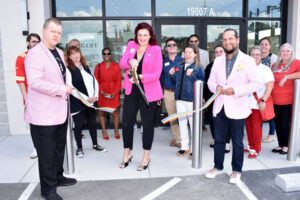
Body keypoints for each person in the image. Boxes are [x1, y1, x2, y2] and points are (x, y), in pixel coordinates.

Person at [25, 18, 77, 200]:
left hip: (60, 112)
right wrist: (62, 90)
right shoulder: (35, 53)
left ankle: (58, 177)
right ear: (44, 31)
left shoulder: (59, 52)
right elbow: (34, 82)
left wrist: (67, 86)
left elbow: (62, 77)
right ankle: (48, 190)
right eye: (53, 31)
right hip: (43, 115)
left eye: (59, 32)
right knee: (46, 154)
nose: (56, 35)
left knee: (58, 150)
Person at [205, 28, 261, 184]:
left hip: (238, 106)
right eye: (224, 39)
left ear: (237, 40)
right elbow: (210, 81)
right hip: (219, 106)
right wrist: (215, 88)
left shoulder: (248, 60)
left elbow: (257, 83)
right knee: (219, 139)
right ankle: (217, 166)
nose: (227, 42)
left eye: (230, 39)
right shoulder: (217, 60)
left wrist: (235, 90)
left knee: (237, 141)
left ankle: (236, 170)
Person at [119, 22, 163, 171]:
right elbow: (122, 63)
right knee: (126, 122)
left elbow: (157, 74)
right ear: (136, 35)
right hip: (131, 90)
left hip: (148, 92)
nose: (142, 38)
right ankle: (127, 154)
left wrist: (140, 77)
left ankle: (146, 157)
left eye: (145, 35)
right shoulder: (131, 45)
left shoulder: (156, 49)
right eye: (140, 35)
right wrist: (129, 61)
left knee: (147, 124)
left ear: (150, 36)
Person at [66, 45, 107, 158]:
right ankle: (79, 148)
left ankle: (95, 144)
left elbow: (94, 82)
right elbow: (70, 88)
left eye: (77, 52)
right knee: (78, 126)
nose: (76, 55)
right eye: (73, 53)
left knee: (93, 124)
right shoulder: (68, 69)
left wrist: (95, 96)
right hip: (78, 102)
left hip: (91, 102)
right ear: (69, 56)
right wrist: (85, 98)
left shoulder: (85, 67)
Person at [169, 45, 205, 159]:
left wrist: (192, 75)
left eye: (190, 52)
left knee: (193, 124)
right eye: (186, 52)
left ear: (195, 54)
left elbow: (202, 83)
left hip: (191, 100)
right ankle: (184, 147)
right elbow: (175, 80)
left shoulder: (198, 67)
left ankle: (195, 149)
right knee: (182, 123)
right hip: (179, 99)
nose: (188, 54)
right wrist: (172, 74)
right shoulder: (180, 65)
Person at [245, 46, 274, 158]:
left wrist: (263, 100)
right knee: (248, 126)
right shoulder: (245, 68)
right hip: (246, 103)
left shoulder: (265, 69)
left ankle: (256, 148)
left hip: (257, 103)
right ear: (249, 56)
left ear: (261, 56)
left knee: (256, 127)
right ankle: (251, 145)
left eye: (257, 54)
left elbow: (270, 86)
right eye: (253, 54)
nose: (255, 56)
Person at [271, 43, 300, 155]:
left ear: (291, 53)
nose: (285, 53)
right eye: (283, 51)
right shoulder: (275, 65)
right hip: (275, 100)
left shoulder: (296, 63)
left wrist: (287, 76)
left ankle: (287, 146)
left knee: (284, 123)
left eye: (288, 51)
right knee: (277, 123)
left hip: (288, 101)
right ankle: (280, 144)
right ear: (279, 53)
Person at [15, 33, 40, 159]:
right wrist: (27, 100)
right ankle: (37, 147)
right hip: (31, 98)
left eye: (37, 42)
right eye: (33, 41)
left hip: (44, 97)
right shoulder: (21, 58)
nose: (35, 44)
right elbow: (20, 81)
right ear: (28, 43)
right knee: (34, 124)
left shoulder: (43, 57)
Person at [204, 45, 231, 153]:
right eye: (216, 52)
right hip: (212, 97)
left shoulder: (230, 66)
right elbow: (206, 83)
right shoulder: (210, 66)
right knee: (213, 119)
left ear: (224, 53)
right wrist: (204, 97)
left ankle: (227, 142)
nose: (218, 53)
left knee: (227, 119)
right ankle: (215, 139)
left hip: (227, 97)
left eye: (221, 51)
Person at [94, 47, 122, 140]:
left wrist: (115, 92)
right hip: (102, 92)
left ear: (111, 55)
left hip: (113, 91)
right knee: (101, 113)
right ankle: (104, 131)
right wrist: (101, 91)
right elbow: (96, 81)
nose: (106, 55)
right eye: (104, 54)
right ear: (102, 55)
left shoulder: (116, 66)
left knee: (115, 113)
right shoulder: (98, 66)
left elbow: (118, 81)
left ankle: (116, 130)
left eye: (108, 53)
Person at [162, 37, 184, 148]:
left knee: (183, 117)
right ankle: (178, 139)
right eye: (169, 45)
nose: (172, 47)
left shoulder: (182, 61)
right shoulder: (163, 62)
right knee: (173, 117)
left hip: (181, 93)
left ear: (177, 47)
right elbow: (160, 79)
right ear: (166, 48)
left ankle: (184, 139)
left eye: (174, 45)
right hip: (168, 93)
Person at [259, 37, 278, 143]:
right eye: (262, 44)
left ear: (270, 46)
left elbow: (274, 73)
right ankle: (259, 133)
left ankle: (271, 134)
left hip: (269, 88)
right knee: (259, 112)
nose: (264, 46)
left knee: (269, 112)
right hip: (258, 89)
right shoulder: (257, 56)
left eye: (266, 44)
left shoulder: (274, 57)